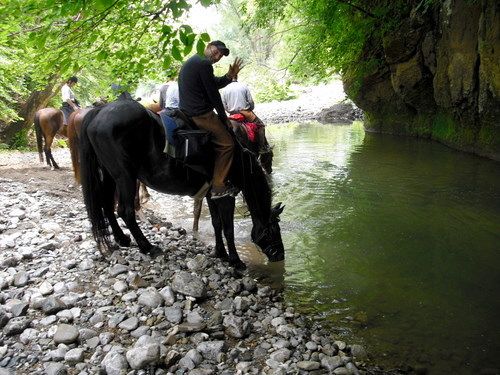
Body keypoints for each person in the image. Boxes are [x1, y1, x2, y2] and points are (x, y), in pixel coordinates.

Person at [178, 40, 243, 199]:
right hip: (200, 113)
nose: (218, 55)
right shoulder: (204, 64)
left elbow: (213, 84)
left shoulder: (197, 61)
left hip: (188, 110)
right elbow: (213, 94)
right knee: (228, 144)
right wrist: (223, 117)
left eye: (221, 54)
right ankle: (218, 186)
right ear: (208, 46)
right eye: (217, 51)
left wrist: (229, 76)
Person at [221, 78, 270, 152]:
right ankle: (262, 149)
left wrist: (230, 110)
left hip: (232, 115)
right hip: (245, 112)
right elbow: (250, 101)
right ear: (236, 77)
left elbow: (224, 106)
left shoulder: (224, 90)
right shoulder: (243, 86)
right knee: (261, 126)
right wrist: (251, 108)